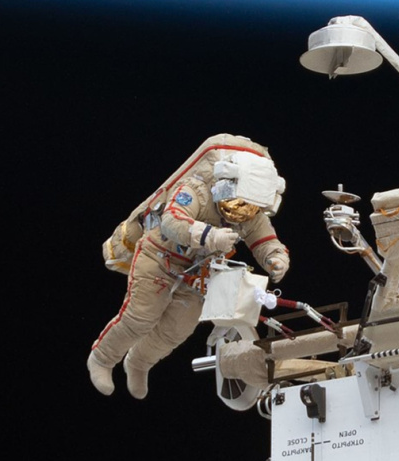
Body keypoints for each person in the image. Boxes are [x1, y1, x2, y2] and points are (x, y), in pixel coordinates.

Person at [88, 147, 290, 399]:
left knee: (176, 330)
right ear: (224, 184)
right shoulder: (195, 190)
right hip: (159, 258)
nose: (241, 212)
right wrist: (210, 236)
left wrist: (276, 258)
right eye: (237, 203)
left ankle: (138, 363)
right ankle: (102, 359)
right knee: (141, 317)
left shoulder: (252, 214)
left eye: (249, 208)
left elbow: (266, 240)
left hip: (199, 274)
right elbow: (172, 221)